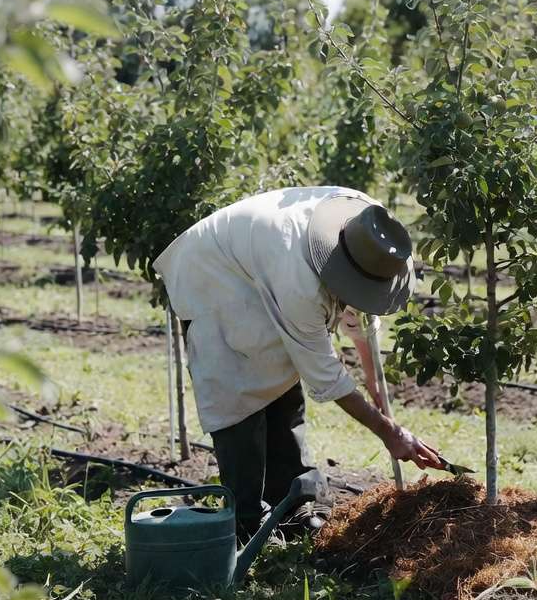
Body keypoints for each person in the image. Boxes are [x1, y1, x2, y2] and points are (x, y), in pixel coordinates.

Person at [154, 186, 444, 540]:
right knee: (237, 393)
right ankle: (245, 521)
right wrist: (389, 433)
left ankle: (294, 503)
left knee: (282, 384)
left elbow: (362, 312)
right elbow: (324, 375)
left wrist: (373, 380)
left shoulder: (372, 227)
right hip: (213, 275)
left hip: (258, 260)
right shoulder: (300, 283)